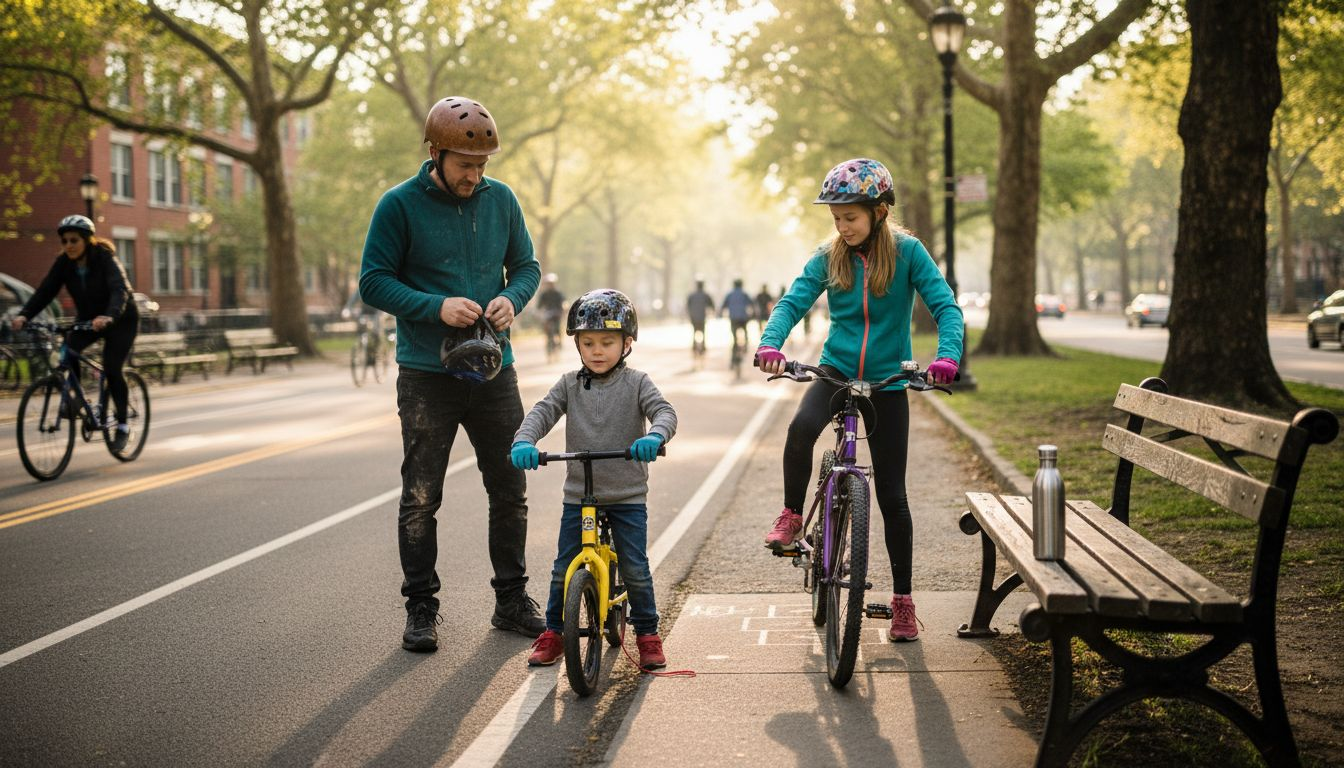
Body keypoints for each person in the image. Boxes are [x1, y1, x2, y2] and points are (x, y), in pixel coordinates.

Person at [359, 95, 545, 652]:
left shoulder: (502, 200)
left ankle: (511, 601)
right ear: (435, 153)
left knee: (510, 488)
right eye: (466, 165)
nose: (475, 175)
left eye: (483, 165)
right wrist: (434, 306)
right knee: (421, 496)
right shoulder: (398, 205)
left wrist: (514, 297)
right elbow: (373, 281)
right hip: (426, 375)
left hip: (494, 369)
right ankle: (421, 608)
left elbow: (527, 266)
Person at [755, 158, 963, 642]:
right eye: (836, 218)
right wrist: (771, 344)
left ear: (880, 212)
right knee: (801, 429)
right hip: (836, 371)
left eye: (850, 217)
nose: (842, 227)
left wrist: (946, 356)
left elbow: (945, 306)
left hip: (890, 381)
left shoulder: (909, 253)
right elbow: (791, 303)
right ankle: (790, 516)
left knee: (893, 496)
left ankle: (904, 603)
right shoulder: (828, 256)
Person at [509, 289, 678, 670]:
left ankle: (647, 633)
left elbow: (664, 412)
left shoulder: (637, 383)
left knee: (634, 566)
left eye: (607, 342)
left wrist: (654, 437)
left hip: (626, 494)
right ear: (577, 344)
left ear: (627, 343)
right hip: (579, 495)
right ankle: (553, 633)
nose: (597, 350)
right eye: (588, 343)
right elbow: (542, 411)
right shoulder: (569, 384)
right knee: (562, 567)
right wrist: (525, 440)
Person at [11, 214, 139, 452]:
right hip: (90, 319)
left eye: (74, 240)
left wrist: (109, 315)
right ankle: (77, 399)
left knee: (112, 368)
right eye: (65, 241)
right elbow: (45, 291)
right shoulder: (64, 263)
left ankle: (121, 426)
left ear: (87, 240)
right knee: (69, 350)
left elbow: (119, 290)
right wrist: (25, 315)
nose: (68, 245)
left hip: (121, 319)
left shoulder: (104, 259)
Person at [720, 278, 754, 359]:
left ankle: (734, 354)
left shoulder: (729, 294)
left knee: (734, 337)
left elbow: (723, 306)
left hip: (733, 318)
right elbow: (751, 304)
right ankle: (745, 345)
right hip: (743, 318)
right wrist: (752, 314)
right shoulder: (744, 294)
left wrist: (720, 314)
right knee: (745, 331)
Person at [536, 273, 565, 358]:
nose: (550, 285)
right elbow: (539, 306)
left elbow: (563, 302)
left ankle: (559, 342)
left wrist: (563, 309)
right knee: (548, 331)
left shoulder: (558, 293)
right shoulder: (544, 294)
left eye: (551, 283)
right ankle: (549, 346)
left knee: (558, 330)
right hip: (547, 315)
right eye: (548, 283)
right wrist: (538, 313)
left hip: (557, 314)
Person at [685, 278, 715, 356]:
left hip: (694, 317)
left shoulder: (691, 295)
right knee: (703, 332)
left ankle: (694, 347)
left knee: (695, 332)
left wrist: (690, 314)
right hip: (702, 317)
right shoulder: (706, 295)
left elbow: (687, 306)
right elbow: (711, 305)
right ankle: (703, 347)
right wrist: (713, 312)